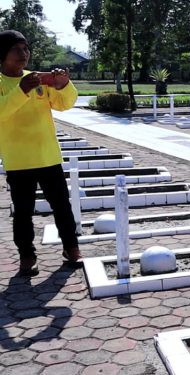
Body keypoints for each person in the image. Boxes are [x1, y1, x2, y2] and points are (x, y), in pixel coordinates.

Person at [0, 30, 81, 276]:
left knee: (62, 206)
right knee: (23, 211)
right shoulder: (7, 83)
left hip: (48, 156)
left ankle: (72, 248)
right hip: (19, 160)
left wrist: (63, 85)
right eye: (17, 49)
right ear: (2, 55)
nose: (24, 54)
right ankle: (27, 256)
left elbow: (64, 104)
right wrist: (22, 90)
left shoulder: (36, 79)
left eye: (26, 48)